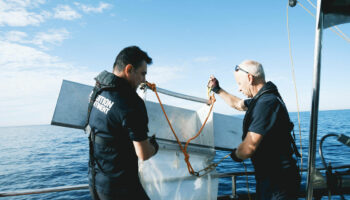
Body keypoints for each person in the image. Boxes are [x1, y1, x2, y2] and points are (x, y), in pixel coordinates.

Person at [208, 60, 301, 200]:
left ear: (250, 78)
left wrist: (235, 155)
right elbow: (238, 104)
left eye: (239, 84)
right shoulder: (263, 99)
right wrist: (217, 90)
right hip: (273, 180)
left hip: (277, 183)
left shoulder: (266, 103)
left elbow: (248, 148)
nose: (239, 89)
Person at [86, 46, 159, 200]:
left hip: (96, 183)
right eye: (142, 74)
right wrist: (154, 147)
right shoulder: (131, 103)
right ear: (129, 69)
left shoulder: (98, 90)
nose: (144, 80)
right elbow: (144, 154)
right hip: (121, 189)